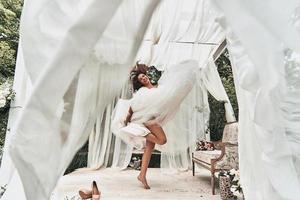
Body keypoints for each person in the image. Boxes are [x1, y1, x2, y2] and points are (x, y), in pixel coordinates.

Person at [111, 60, 198, 189]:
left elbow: (171, 94)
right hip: (149, 122)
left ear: (147, 76)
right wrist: (126, 120)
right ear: (140, 83)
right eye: (141, 78)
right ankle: (139, 132)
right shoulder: (143, 92)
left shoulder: (158, 88)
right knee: (162, 140)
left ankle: (142, 175)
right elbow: (132, 106)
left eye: (144, 76)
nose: (144, 78)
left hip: (154, 120)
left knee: (149, 149)